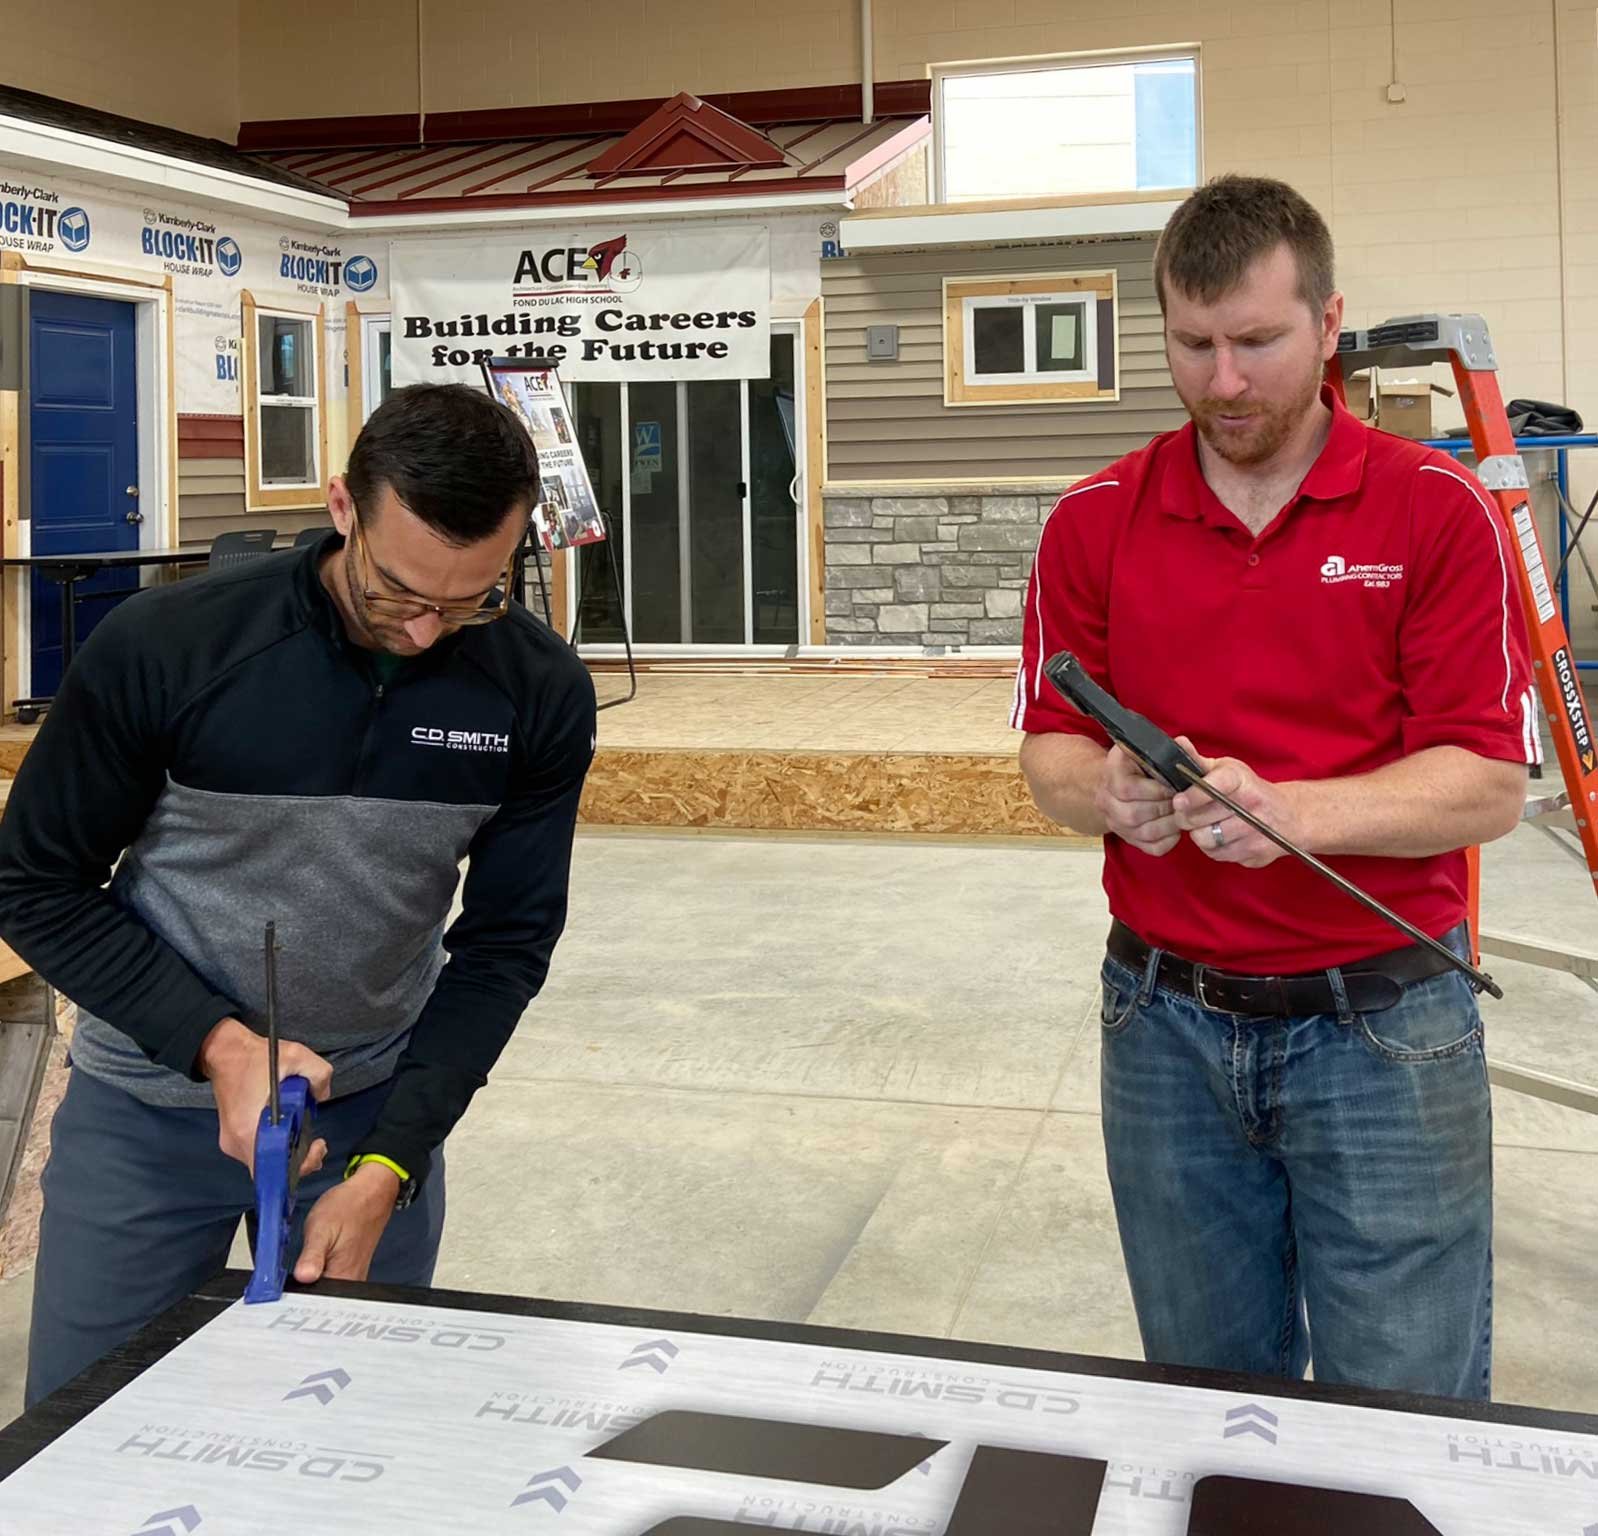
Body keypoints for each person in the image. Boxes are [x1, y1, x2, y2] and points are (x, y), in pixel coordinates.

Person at [1013, 175, 1536, 1400]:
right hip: (1162, 1029)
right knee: (1204, 1404)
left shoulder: (1434, 511)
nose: (1223, 381)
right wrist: (1110, 793)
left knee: (1401, 1411)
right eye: (1190, 346)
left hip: (1385, 1029)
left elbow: (1486, 787)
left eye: (1255, 342)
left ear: (1327, 321)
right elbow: (1045, 751)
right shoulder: (1093, 520)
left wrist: (1293, 812)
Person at [0, 383, 596, 1407]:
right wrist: (218, 1044)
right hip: (144, 1121)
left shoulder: (534, 689)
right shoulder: (169, 646)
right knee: (85, 1430)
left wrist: (389, 1167)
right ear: (340, 509)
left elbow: (504, 945)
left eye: (471, 600)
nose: (423, 634)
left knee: (347, 1436)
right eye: (396, 592)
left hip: (371, 1119)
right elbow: (34, 883)